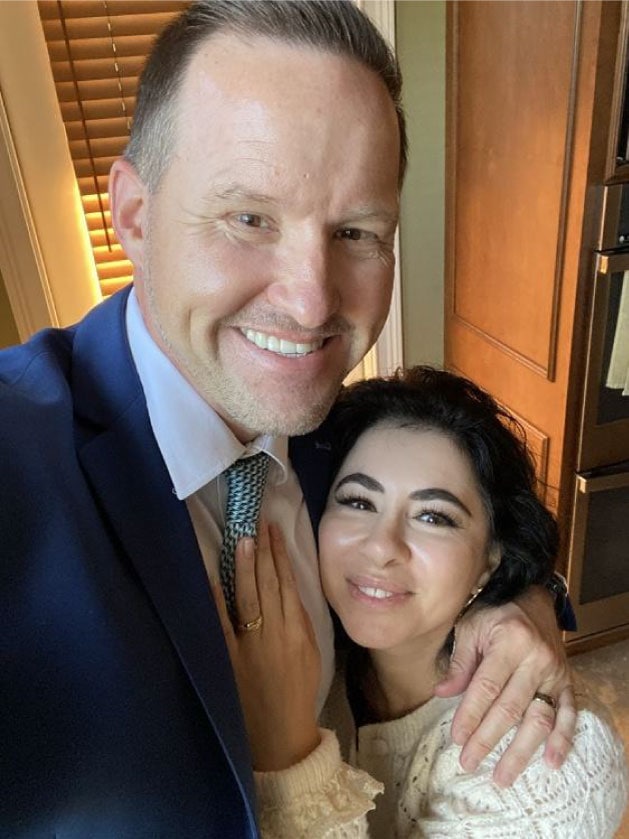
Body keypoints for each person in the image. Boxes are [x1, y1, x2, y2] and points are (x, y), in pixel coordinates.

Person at [1, 2, 573, 836]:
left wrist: (518, 602)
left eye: (356, 231)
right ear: (133, 214)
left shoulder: (342, 435)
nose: (310, 303)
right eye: (248, 218)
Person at [217, 366, 628, 837]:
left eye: (433, 516)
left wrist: (289, 759)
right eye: (358, 501)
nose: (381, 547)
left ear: (491, 560)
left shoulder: (550, 771)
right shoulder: (314, 651)